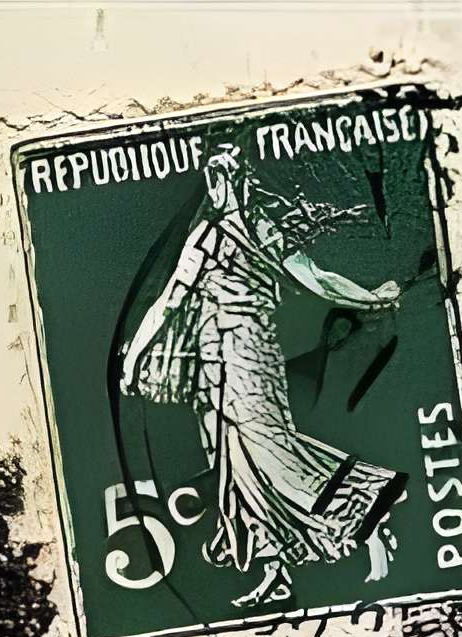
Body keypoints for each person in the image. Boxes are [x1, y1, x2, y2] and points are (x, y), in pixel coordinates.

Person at [120, 140, 405, 608]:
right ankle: (275, 569)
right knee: (235, 465)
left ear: (238, 180)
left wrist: (371, 298)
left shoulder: (259, 228)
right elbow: (170, 300)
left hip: (252, 354)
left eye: (226, 174)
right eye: (212, 175)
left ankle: (368, 512)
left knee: (272, 452)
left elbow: (315, 278)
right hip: (217, 361)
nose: (218, 184)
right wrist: (134, 360)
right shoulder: (207, 237)